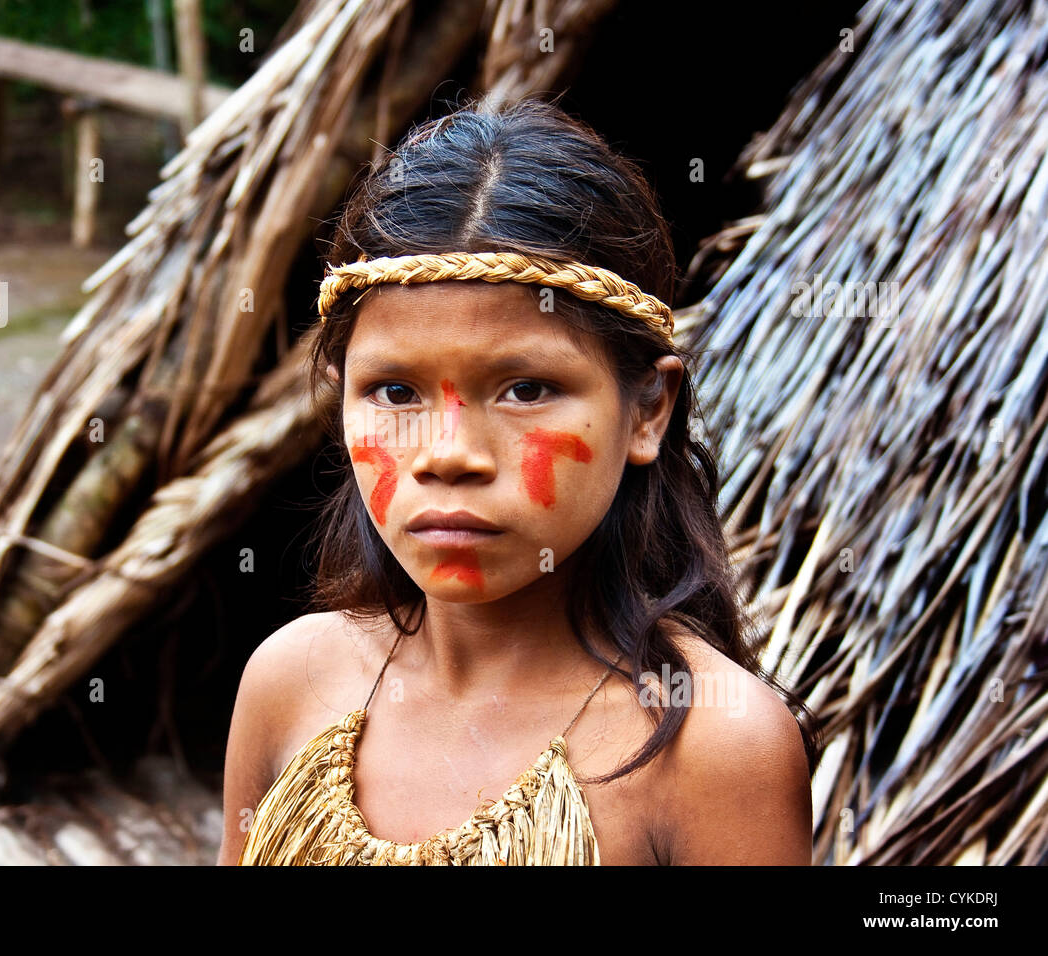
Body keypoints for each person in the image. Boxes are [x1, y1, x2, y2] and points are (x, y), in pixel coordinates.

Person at [218, 94, 819, 865]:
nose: (448, 454)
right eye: (395, 391)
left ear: (647, 411)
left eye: (526, 389)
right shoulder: (290, 680)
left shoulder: (714, 747)